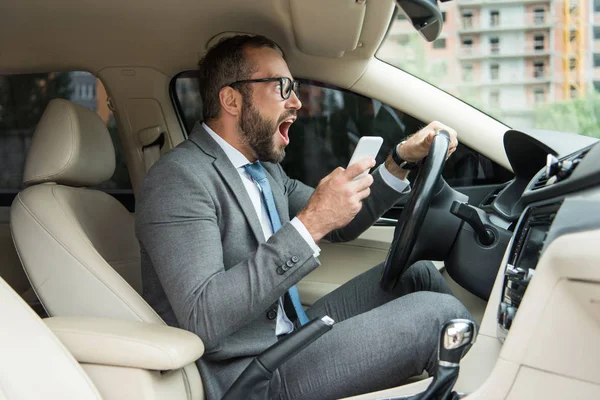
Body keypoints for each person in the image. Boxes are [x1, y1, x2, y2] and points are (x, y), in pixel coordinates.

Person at [135, 34, 473, 400]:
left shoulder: (263, 171)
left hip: (291, 336)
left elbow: (341, 224)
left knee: (417, 275)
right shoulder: (179, 179)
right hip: (251, 375)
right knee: (439, 314)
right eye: (282, 87)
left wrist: (402, 159)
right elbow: (203, 316)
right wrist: (310, 223)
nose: (296, 102)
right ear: (231, 100)